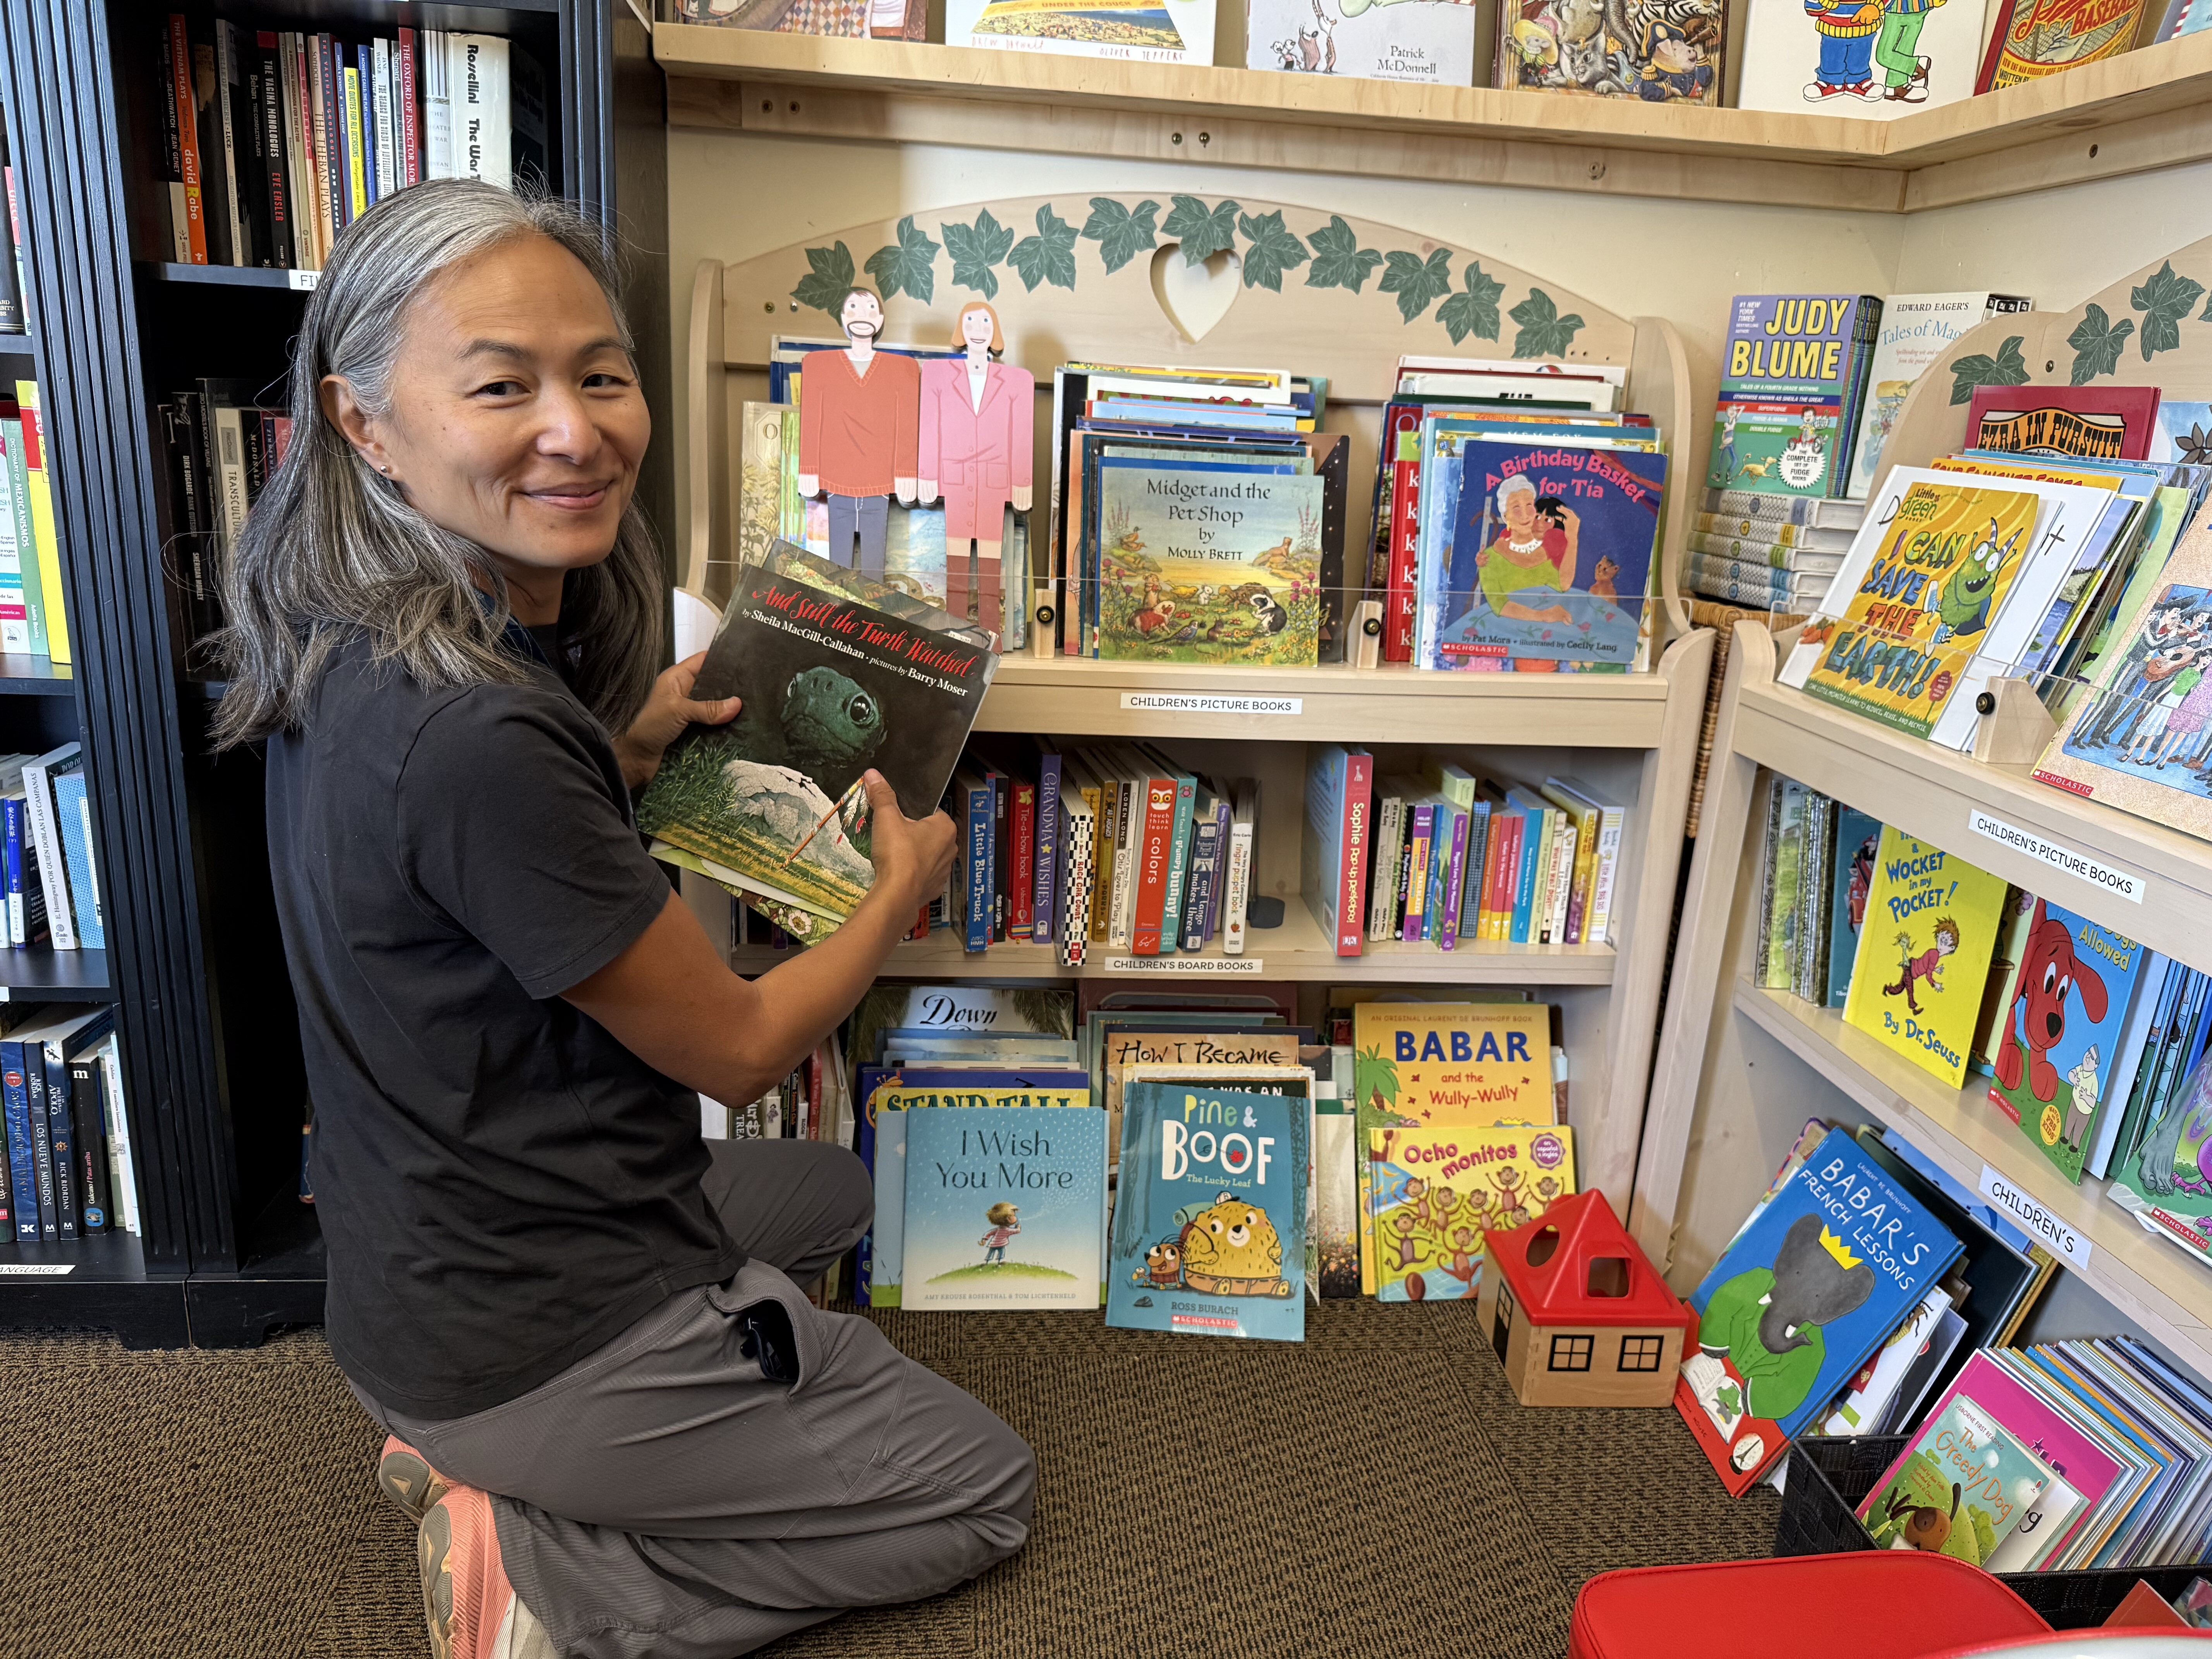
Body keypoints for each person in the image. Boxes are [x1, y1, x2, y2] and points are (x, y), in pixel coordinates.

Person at [213, 181, 1035, 1659]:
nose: (574, 428)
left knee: (834, 1199)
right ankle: (544, 1568)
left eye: (600, 374)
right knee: (983, 1490)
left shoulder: (358, 640)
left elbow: (478, 870)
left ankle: (573, 1428)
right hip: (522, 1331)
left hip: (424, 1273)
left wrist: (629, 746)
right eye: (500, 386)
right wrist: (896, 894)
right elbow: (733, 1047)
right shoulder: (479, 736)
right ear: (363, 421)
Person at [917, 298, 1033, 637]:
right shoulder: (938, 374)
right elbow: (931, 423)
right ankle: (953, 631)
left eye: (985, 322)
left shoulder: (1018, 381)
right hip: (955, 477)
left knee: (990, 561)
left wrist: (1023, 480)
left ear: (995, 330)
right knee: (955, 558)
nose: (978, 330)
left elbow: (1021, 432)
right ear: (961, 330)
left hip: (995, 480)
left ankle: (989, 633)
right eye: (971, 322)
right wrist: (926, 473)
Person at [797, 285, 921, 579]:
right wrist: (809, 469)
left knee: (874, 569)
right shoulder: (819, 366)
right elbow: (812, 417)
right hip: (837, 476)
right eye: (853, 308)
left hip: (879, 479)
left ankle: (870, 621)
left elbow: (907, 425)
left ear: (879, 322)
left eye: (870, 310)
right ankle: (837, 621)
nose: (861, 316)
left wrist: (906, 472)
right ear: (842, 318)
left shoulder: (901, 370)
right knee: (837, 567)